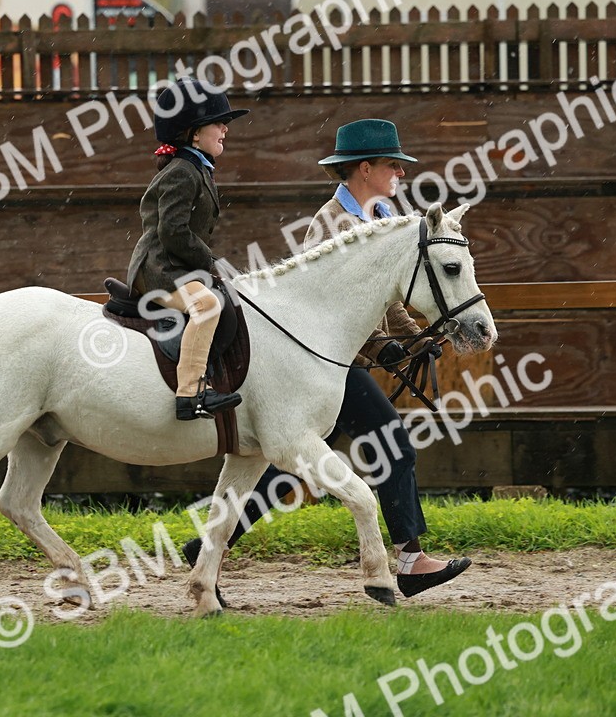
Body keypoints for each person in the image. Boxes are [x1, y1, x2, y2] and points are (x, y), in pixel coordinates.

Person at [183, 118, 471, 599]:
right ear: (365, 169)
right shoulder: (333, 225)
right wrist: (380, 348)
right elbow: (324, 312)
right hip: (326, 365)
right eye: (392, 166)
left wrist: (416, 338)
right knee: (392, 444)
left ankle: (209, 545)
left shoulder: (374, 220)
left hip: (339, 366)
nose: (399, 174)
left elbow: (390, 300)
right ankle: (409, 558)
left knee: (277, 464)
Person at [127, 78, 249, 421]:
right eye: (218, 122)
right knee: (207, 305)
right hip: (158, 269)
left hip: (177, 267)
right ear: (195, 133)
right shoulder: (183, 171)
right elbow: (172, 232)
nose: (225, 128)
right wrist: (212, 261)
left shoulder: (196, 168)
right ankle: (190, 392)